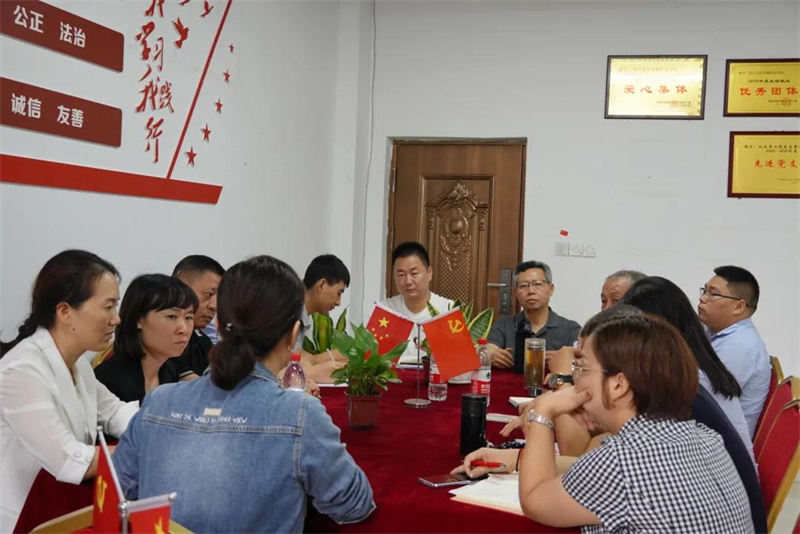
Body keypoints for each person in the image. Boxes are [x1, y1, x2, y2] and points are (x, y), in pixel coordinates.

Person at [113, 256, 375, 532]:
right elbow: (353, 505)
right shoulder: (300, 414)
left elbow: (120, 489)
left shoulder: (159, 401)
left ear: (219, 325)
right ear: (293, 334)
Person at [457, 312, 753, 533]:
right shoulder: (705, 437)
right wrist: (518, 458)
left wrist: (544, 412)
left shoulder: (621, 460)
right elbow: (601, 471)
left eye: (582, 368)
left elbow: (535, 501)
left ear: (618, 385)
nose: (576, 379)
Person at [0, 250, 138, 532]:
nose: (116, 319)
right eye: (108, 307)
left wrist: (162, 428)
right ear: (65, 312)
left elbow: (116, 413)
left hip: (58, 511)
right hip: (20, 519)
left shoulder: (79, 365)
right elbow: (67, 458)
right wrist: (143, 448)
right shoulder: (22, 370)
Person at [94, 274, 198, 405]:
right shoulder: (111, 378)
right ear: (139, 320)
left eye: (188, 317)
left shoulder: (169, 369)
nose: (184, 329)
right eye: (172, 316)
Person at [699, 266, 770, 437]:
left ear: (738, 307)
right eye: (704, 290)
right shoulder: (717, 334)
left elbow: (702, 400)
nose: (702, 298)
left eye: (712, 294)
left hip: (723, 444)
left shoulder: (740, 347)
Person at [487, 261, 580, 370]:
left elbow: (582, 362)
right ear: (516, 292)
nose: (531, 291)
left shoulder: (571, 329)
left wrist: (565, 360)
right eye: (523, 286)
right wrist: (492, 355)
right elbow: (489, 348)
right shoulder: (504, 324)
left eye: (537, 284)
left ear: (551, 289)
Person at [380, 242, 453, 363]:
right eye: (401, 275)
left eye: (414, 273)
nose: (408, 281)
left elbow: (460, 361)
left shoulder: (448, 309)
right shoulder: (384, 310)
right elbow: (371, 358)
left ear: (429, 273)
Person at [172, 255, 225, 377]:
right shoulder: (156, 341)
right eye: (209, 294)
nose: (214, 306)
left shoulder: (203, 342)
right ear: (181, 288)